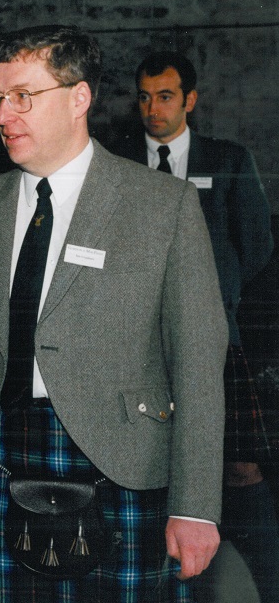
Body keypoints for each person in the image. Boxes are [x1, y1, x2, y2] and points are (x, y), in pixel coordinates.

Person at [0, 25, 229, 601]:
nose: (4, 114)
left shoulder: (163, 207)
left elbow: (199, 364)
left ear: (80, 98)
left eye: (23, 96)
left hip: (124, 469)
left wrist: (197, 506)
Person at [115, 51, 277, 602]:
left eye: (165, 96)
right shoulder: (116, 164)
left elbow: (257, 249)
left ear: (190, 100)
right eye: (143, 96)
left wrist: (215, 300)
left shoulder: (228, 161)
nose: (152, 109)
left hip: (215, 344)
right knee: (153, 466)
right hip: (140, 346)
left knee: (238, 470)